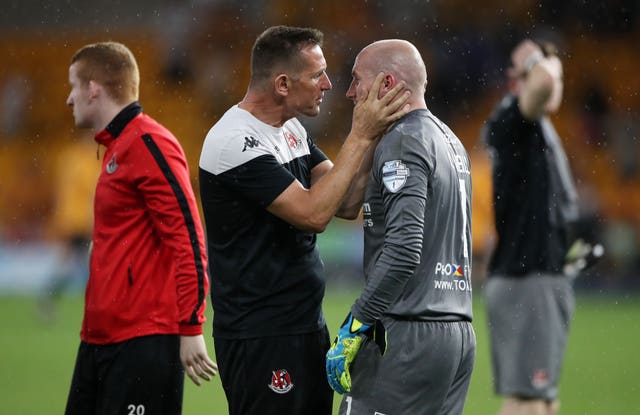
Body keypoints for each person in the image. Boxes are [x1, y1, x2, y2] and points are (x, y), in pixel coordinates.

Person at [198, 26, 410, 415]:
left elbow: (344, 203)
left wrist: (377, 133)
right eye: (317, 75)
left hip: (305, 325)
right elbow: (313, 214)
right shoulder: (234, 141)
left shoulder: (290, 129)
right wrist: (361, 136)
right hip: (260, 334)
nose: (328, 84)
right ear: (282, 83)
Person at [63, 41, 217, 415]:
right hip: (100, 339)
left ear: (93, 88)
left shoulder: (149, 143)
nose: (69, 99)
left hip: (143, 340)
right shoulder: (116, 147)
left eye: (73, 86)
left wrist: (191, 326)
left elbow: (188, 236)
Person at [325, 39, 475, 415]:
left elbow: (404, 249)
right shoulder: (450, 140)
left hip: (408, 334)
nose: (349, 92)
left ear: (386, 84)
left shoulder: (404, 142)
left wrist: (355, 324)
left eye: (357, 80)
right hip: (456, 332)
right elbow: (346, 205)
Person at [482, 39, 579, 415]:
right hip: (528, 276)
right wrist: (540, 63)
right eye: (545, 73)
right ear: (516, 80)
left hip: (534, 274)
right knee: (529, 402)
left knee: (544, 400)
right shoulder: (514, 118)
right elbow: (540, 85)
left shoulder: (529, 124)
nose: (555, 83)